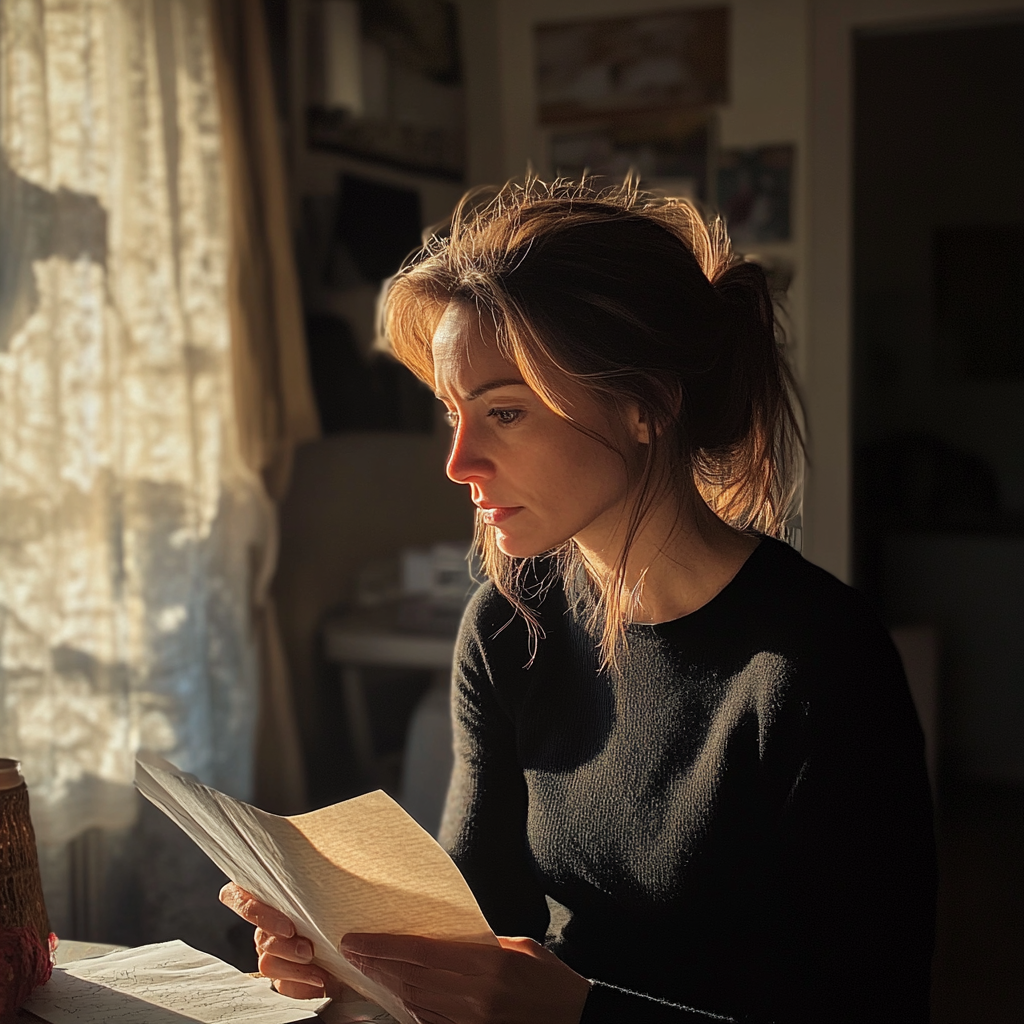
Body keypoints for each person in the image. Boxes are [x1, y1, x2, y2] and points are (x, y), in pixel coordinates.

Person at [221, 179, 936, 1023]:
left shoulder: (816, 667)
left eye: (506, 412)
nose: (458, 462)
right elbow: (483, 920)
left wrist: (581, 1013)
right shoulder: (508, 624)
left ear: (645, 405)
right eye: (454, 412)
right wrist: (357, 955)